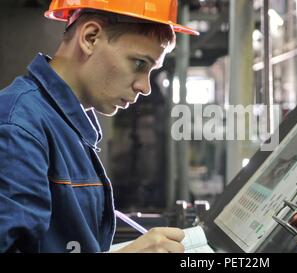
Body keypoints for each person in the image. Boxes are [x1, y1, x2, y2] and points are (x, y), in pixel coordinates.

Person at [0, 0, 198, 253]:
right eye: (139, 64)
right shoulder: (17, 128)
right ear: (91, 38)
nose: (145, 87)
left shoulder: (64, 126)